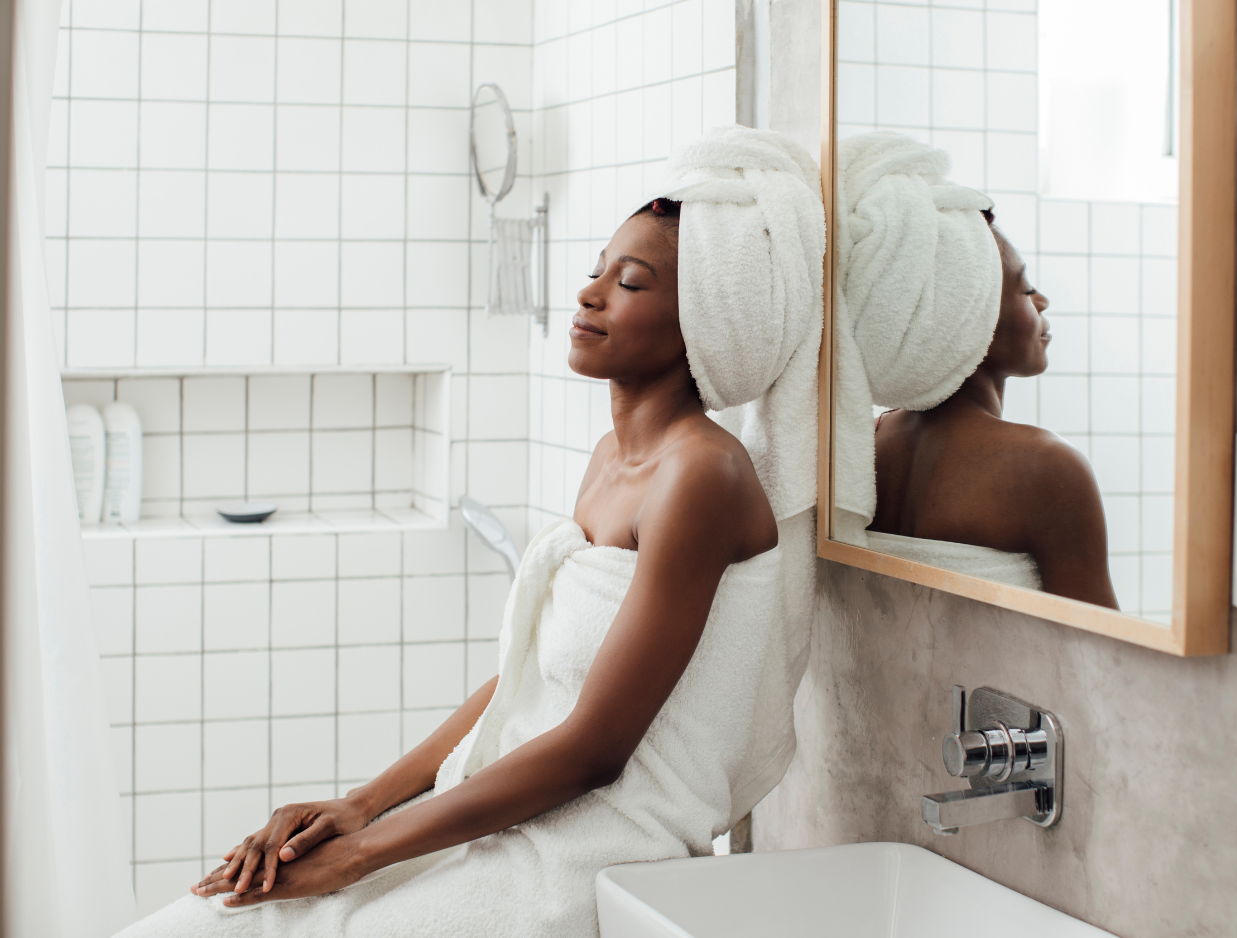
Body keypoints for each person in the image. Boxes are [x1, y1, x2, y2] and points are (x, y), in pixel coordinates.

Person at [116, 126, 824, 938]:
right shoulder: (611, 460)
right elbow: (527, 672)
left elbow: (597, 746)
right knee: (204, 920)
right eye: (595, 272)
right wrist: (361, 806)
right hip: (508, 813)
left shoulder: (701, 476)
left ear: (707, 316)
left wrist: (363, 855)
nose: (589, 295)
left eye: (629, 283)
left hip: (589, 853)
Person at [867, 220, 1119, 608]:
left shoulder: (866, 443)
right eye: (1025, 288)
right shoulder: (1046, 467)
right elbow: (1099, 651)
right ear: (970, 315)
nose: (1042, 301)